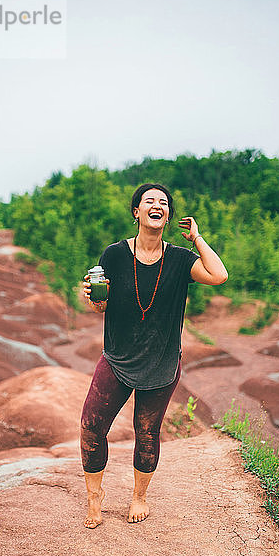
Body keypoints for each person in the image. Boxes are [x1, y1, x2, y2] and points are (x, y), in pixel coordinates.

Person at [80, 183, 228, 528]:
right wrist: (94, 298)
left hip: (161, 362)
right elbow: (100, 304)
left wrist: (197, 240)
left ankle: (139, 497)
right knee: (91, 426)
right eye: (149, 201)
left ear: (167, 216)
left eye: (163, 203)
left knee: (146, 433)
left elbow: (219, 275)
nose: (156, 205)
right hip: (117, 357)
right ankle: (94, 497)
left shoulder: (180, 259)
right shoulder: (114, 255)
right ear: (137, 212)